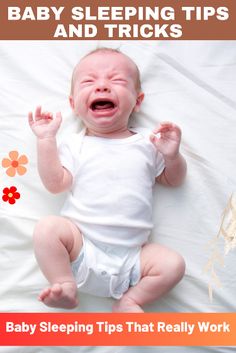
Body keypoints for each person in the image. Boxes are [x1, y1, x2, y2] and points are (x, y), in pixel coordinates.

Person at [28, 48, 187, 312]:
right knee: (47, 229)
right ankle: (64, 284)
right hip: (81, 247)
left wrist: (172, 157)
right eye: (89, 82)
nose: (102, 86)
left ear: (137, 100)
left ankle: (131, 300)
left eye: (117, 80)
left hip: (135, 258)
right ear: (73, 104)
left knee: (174, 264)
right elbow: (55, 184)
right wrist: (46, 141)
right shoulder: (74, 144)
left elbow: (173, 180)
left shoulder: (149, 143)